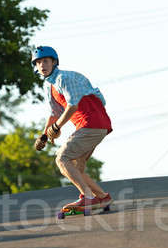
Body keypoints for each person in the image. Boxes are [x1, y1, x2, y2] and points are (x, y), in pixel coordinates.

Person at [32, 45, 113, 210]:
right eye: (38, 63)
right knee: (76, 167)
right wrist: (44, 136)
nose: (42, 65)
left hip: (91, 123)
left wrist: (56, 126)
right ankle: (102, 197)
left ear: (54, 62)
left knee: (62, 158)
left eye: (46, 61)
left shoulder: (64, 78)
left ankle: (88, 198)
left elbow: (72, 106)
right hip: (94, 125)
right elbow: (55, 112)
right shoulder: (49, 86)